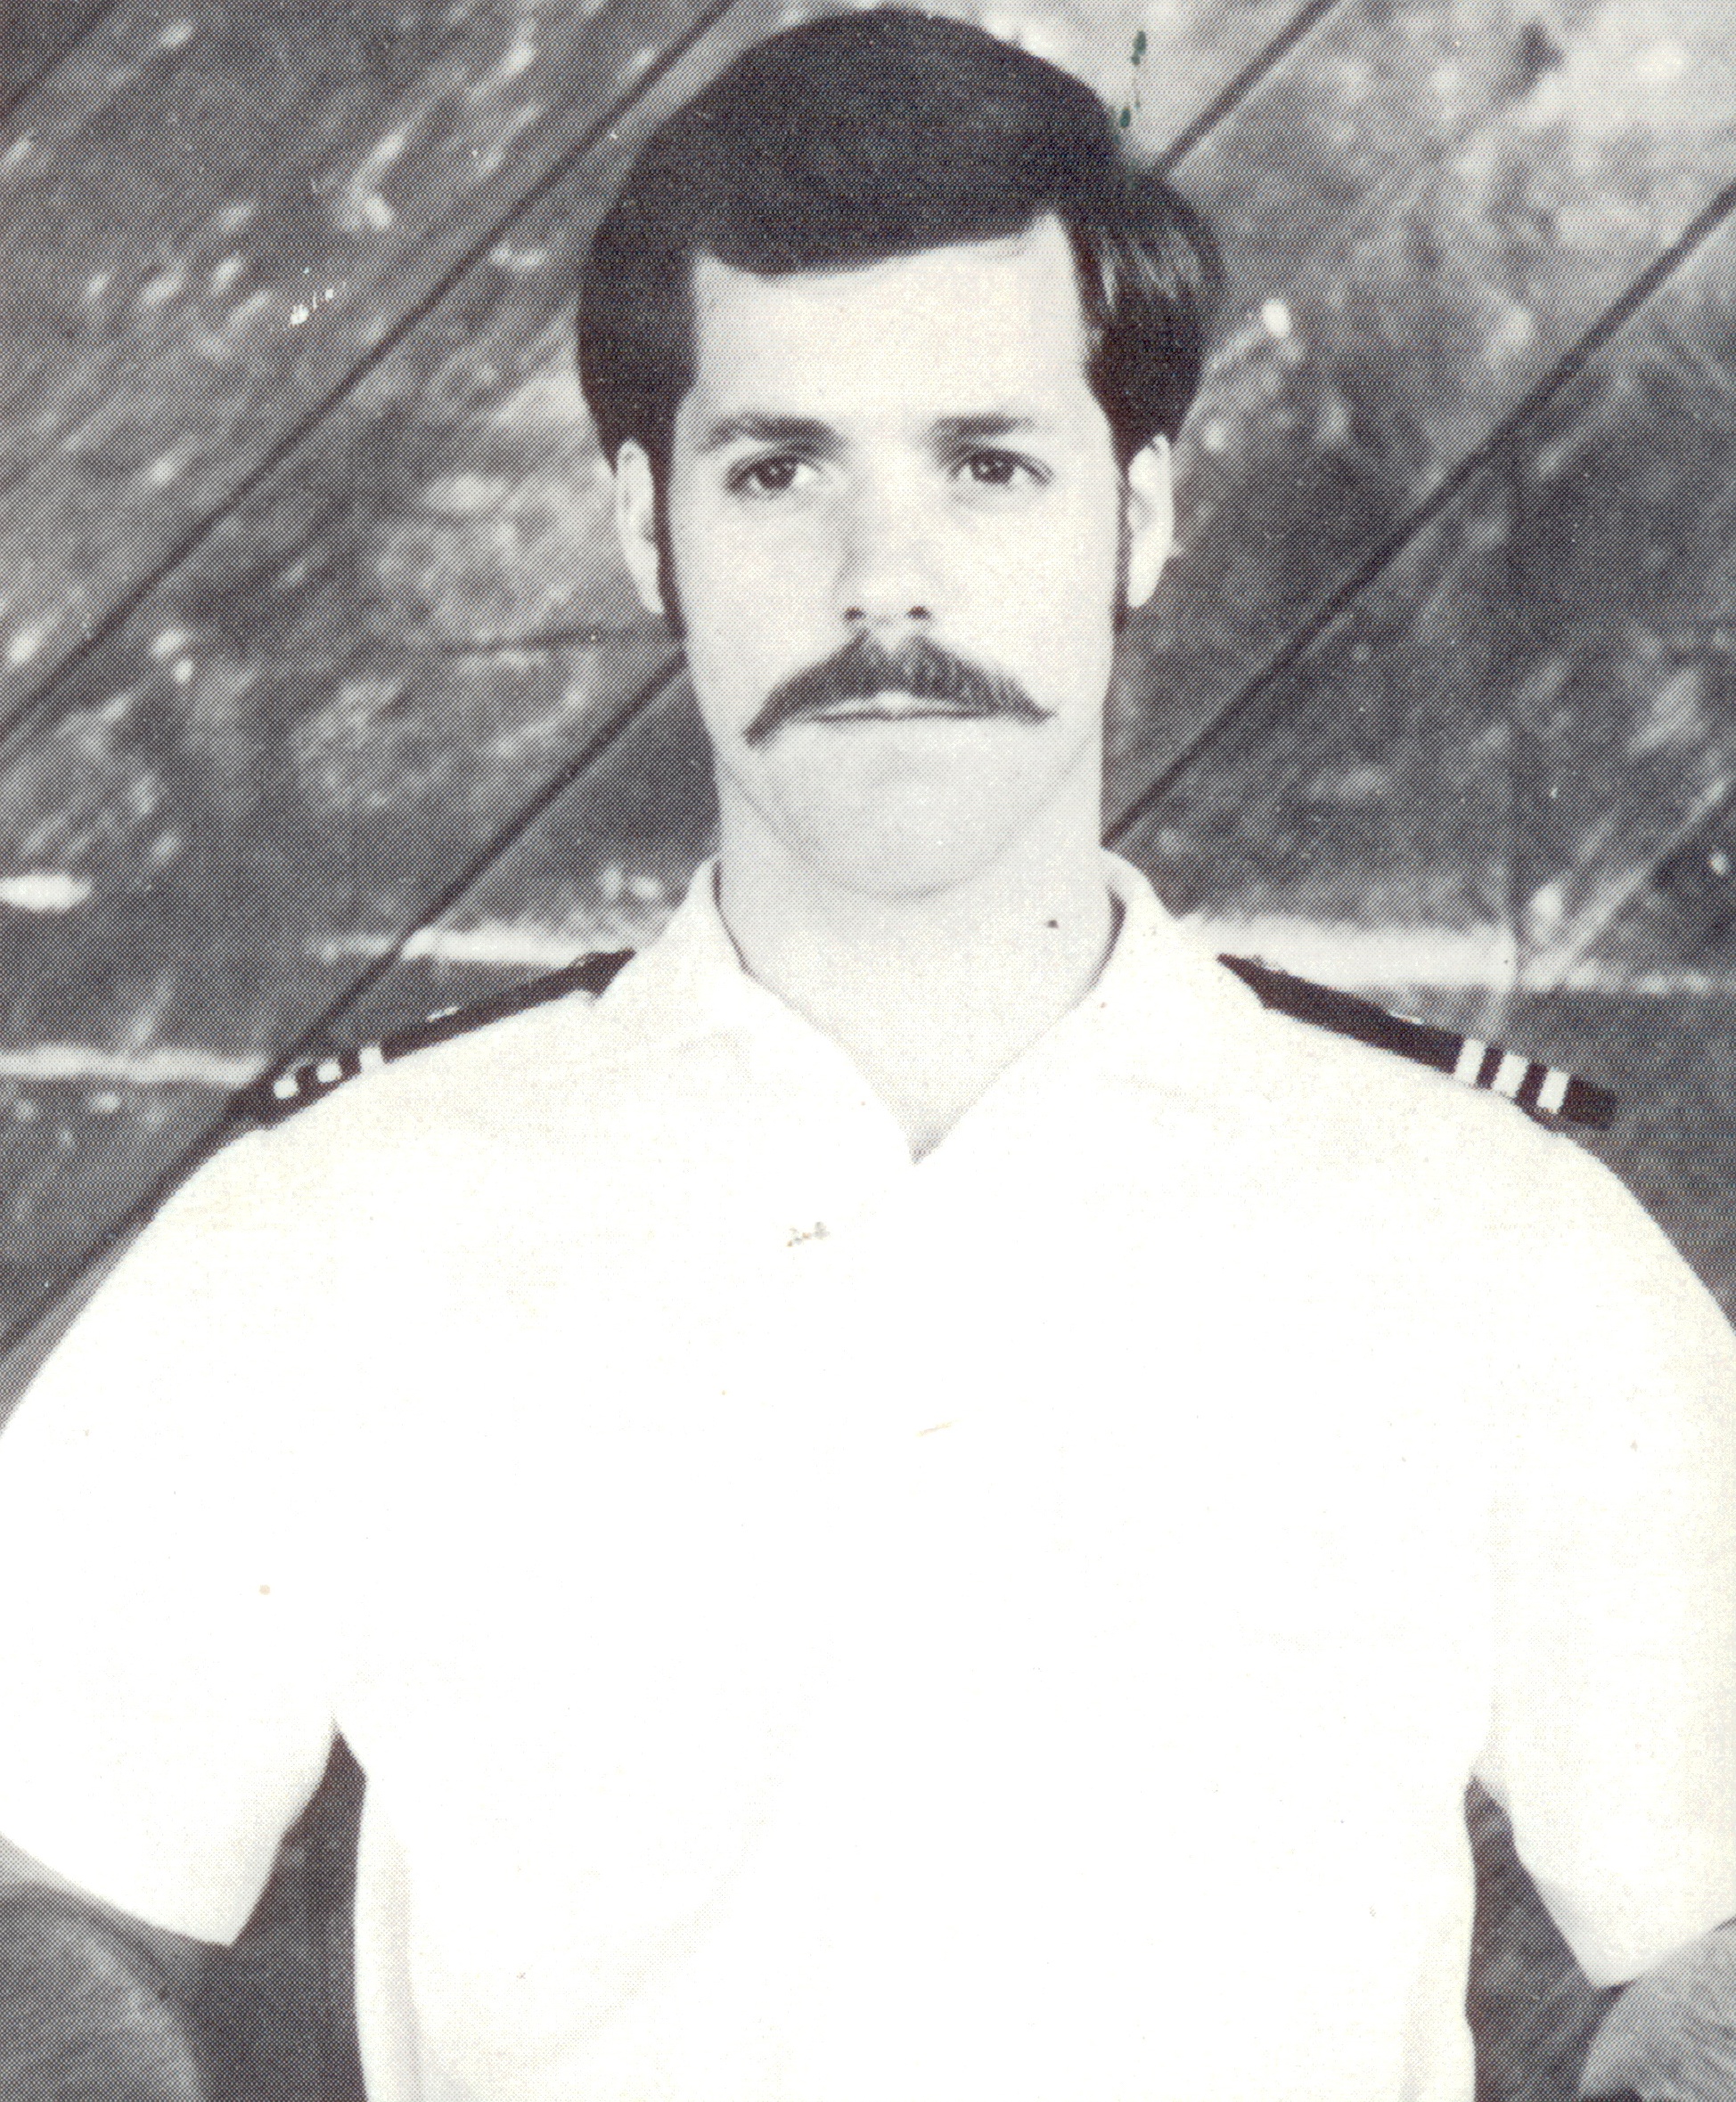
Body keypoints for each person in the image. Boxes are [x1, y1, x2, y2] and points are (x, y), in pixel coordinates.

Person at [0, 10, 1732, 2098]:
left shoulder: (1488, 1239)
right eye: (775, 467)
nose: (880, 578)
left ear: (1139, 517)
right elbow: (40, 1893)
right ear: (645, 527)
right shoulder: (342, 1227)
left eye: (985, 463)